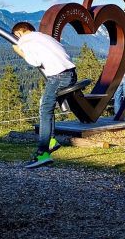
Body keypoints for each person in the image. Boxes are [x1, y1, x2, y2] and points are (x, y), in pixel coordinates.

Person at [11, 22, 77, 169]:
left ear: (19, 33)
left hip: (58, 76)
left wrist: (20, 51)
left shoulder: (26, 41)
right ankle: (51, 141)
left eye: (16, 36)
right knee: (46, 105)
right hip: (70, 73)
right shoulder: (44, 37)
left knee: (44, 110)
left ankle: (42, 153)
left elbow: (35, 61)